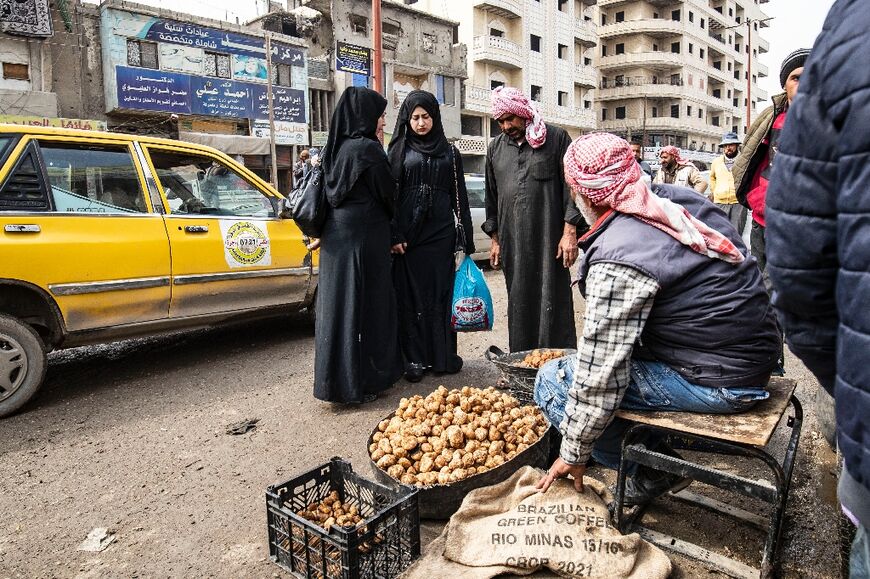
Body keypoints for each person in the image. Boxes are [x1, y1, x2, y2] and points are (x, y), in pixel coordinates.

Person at [534, 133, 780, 505]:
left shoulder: (620, 254)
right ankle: (648, 453)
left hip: (723, 379)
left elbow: (600, 376)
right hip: (751, 355)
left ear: (585, 193)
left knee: (554, 380)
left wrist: (574, 453)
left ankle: (652, 471)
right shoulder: (679, 201)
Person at [765, 2, 868, 573]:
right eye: (794, 77)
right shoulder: (770, 125)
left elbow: (802, 279)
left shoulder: (851, 34)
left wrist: (850, 379)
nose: (801, 83)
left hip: (799, 231)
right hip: (776, 223)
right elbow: (751, 178)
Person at [313, 87, 402, 404]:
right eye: (378, 115)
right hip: (365, 239)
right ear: (364, 116)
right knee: (370, 310)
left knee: (340, 311)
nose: (381, 121)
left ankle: (335, 384)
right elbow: (387, 192)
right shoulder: (367, 149)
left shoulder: (335, 147)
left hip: (337, 238)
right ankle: (364, 382)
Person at [483, 86, 583, 352]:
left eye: (509, 119)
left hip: (550, 239)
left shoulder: (556, 138)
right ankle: (522, 360)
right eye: (500, 121)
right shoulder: (495, 149)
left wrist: (569, 231)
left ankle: (558, 361)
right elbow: (491, 198)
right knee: (519, 299)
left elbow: (573, 190)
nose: (505, 126)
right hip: (513, 240)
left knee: (554, 297)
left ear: (523, 113)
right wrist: (495, 240)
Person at [386, 91, 475, 383]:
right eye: (415, 117)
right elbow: (389, 198)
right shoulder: (398, 150)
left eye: (426, 117)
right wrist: (394, 234)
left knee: (440, 295)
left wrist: (465, 241)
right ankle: (413, 359)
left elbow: (459, 196)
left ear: (435, 118)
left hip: (440, 237)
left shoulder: (450, 153)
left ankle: (442, 357)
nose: (421, 123)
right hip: (409, 239)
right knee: (409, 297)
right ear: (407, 119)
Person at [732, 47, 810, 276]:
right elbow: (749, 158)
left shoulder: (831, 120)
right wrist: (754, 198)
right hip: (762, 219)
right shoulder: (771, 117)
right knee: (758, 280)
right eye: (795, 77)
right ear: (785, 85)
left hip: (797, 226)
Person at [709, 132, 747, 234]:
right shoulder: (716, 162)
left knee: (736, 234)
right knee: (720, 234)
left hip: (738, 203)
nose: (728, 148)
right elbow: (712, 178)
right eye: (725, 146)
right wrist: (715, 191)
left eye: (731, 145)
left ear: (737, 146)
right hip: (720, 202)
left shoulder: (743, 161)